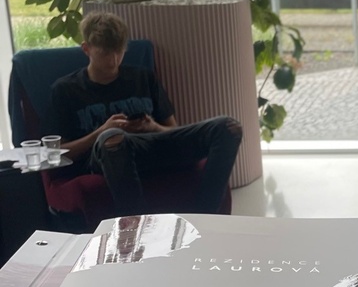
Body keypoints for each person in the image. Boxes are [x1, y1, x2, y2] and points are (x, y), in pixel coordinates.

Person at [51, 11, 243, 216]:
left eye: (119, 51)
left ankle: (206, 215)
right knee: (113, 138)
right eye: (105, 53)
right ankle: (140, 225)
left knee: (228, 127)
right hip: (108, 156)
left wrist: (153, 127)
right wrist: (101, 132)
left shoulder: (143, 78)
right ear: (86, 49)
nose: (113, 60)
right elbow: (57, 153)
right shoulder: (66, 90)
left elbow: (172, 131)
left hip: (153, 146)